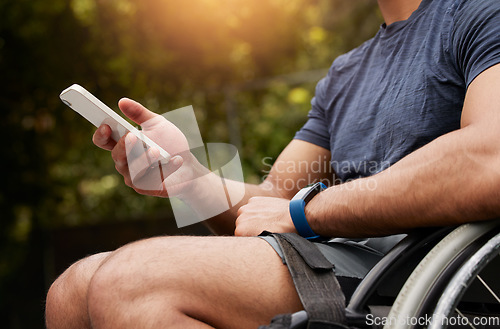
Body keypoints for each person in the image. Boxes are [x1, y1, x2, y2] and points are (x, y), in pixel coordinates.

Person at [45, 0, 500, 328]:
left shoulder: (481, 14)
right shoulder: (345, 73)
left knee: (132, 280)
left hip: (435, 282)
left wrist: (306, 212)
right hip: (349, 267)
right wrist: (185, 175)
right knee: (72, 290)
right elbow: (270, 205)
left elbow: (489, 158)